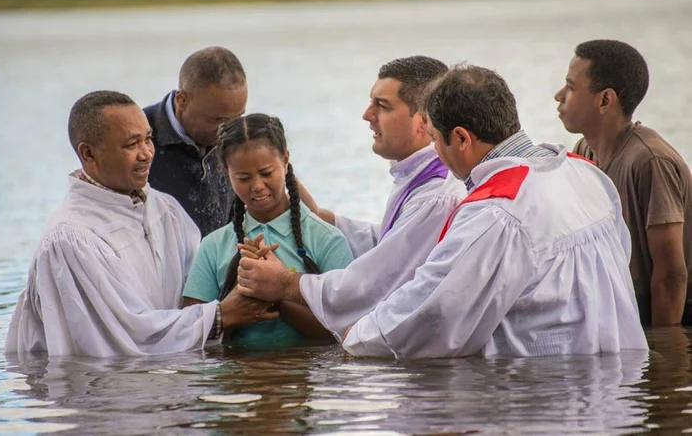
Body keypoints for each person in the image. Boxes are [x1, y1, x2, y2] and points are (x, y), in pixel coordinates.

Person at [237, 65, 649, 359]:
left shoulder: (498, 212)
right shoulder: (584, 173)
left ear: (462, 138)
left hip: (549, 397)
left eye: (435, 139)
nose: (434, 150)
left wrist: (357, 337)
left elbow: (435, 312)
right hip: (616, 380)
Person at [5, 91, 243, 358]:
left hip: (167, 388)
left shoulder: (166, 209)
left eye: (149, 139)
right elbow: (118, 343)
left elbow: (199, 289)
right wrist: (221, 316)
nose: (147, 154)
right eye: (132, 145)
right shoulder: (70, 240)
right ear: (89, 154)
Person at [289, 56, 467, 339]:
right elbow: (393, 242)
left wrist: (287, 285)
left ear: (424, 120)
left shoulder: (436, 195)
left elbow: (378, 280)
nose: (367, 114)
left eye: (382, 106)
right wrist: (326, 221)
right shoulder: (419, 175)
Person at [181, 113, 354, 349]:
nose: (257, 186)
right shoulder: (213, 246)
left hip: (305, 379)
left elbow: (347, 327)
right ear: (225, 171)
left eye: (266, 173)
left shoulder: (327, 239)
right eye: (243, 177)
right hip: (239, 380)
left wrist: (276, 294)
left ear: (285, 160)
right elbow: (187, 328)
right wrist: (235, 303)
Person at [556, 39, 692, 327]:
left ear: (605, 100)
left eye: (570, 87)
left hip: (674, 320)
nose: (558, 96)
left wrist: (666, 358)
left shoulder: (650, 162)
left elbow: (671, 276)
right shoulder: (585, 151)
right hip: (626, 318)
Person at [144, 46, 248, 237]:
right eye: (218, 120)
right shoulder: (136, 141)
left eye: (238, 117)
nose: (230, 132)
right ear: (182, 100)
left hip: (222, 261)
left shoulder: (240, 133)